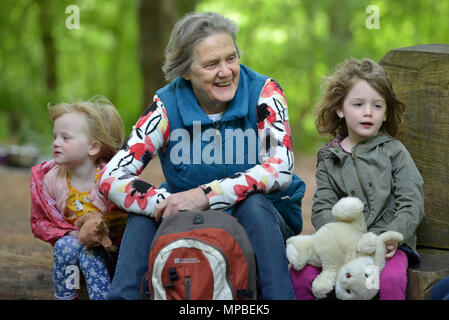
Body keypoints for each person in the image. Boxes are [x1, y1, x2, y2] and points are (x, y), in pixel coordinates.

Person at [100, 11, 305, 300]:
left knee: (254, 203)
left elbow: (280, 168)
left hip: (262, 219)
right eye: (211, 64)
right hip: (187, 218)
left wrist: (205, 195)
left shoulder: (264, 92)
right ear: (185, 71)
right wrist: (164, 203)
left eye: (230, 58)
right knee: (142, 211)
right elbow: (112, 176)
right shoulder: (166, 105)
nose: (225, 71)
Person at [290, 58, 424, 300]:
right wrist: (339, 240)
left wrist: (391, 236)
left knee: (386, 280)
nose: (367, 112)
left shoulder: (394, 152)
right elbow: (321, 208)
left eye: (377, 106)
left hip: (386, 248)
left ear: (385, 114)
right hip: (339, 247)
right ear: (340, 108)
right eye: (358, 104)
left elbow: (411, 203)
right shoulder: (330, 157)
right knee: (301, 277)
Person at [30, 96, 126, 300]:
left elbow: (125, 219)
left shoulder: (109, 181)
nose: (56, 143)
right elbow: (39, 222)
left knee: (90, 258)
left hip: (108, 250)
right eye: (55, 136)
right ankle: (67, 294)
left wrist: (103, 233)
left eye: (66, 138)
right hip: (73, 245)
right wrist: (69, 234)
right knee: (66, 246)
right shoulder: (50, 180)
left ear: (93, 147)